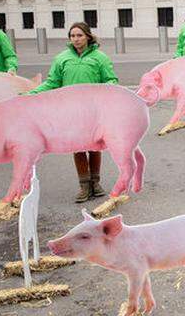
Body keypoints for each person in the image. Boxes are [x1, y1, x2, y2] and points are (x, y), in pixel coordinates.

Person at [28, 22, 118, 202]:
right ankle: (84, 185)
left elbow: (111, 80)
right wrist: (31, 94)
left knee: (94, 147)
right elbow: (52, 82)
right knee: (77, 148)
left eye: (79, 35)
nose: (76, 39)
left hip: (94, 111)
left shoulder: (100, 58)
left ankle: (95, 182)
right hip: (71, 111)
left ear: (88, 36)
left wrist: (107, 92)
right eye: (73, 36)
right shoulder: (62, 59)